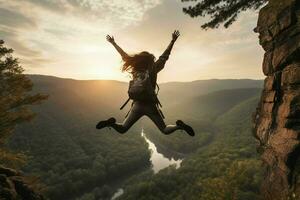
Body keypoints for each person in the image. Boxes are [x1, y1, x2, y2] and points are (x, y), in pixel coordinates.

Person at [96, 30, 195, 136]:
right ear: (150, 60)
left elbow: (123, 54)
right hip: (150, 105)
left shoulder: (134, 68)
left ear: (138, 60)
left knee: (123, 128)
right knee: (165, 129)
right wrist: (173, 41)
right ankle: (179, 126)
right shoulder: (153, 68)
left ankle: (111, 124)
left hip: (137, 105)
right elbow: (165, 56)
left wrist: (113, 43)